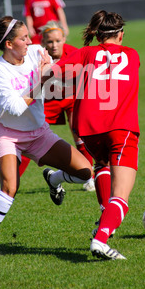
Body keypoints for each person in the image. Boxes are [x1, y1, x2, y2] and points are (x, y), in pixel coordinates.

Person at [0, 16, 92, 261]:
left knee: (85, 173)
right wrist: (42, 80)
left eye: (28, 37)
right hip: (8, 135)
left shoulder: (35, 52)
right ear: (9, 45)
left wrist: (50, 72)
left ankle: (54, 178)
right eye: (23, 38)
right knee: (9, 188)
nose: (29, 41)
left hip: (39, 133)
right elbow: (14, 107)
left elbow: (55, 76)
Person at [49, 10, 140, 261]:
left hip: (89, 131)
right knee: (121, 197)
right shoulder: (132, 55)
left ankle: (103, 217)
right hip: (121, 129)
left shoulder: (85, 53)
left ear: (98, 35)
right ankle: (100, 240)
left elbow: (52, 76)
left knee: (102, 165)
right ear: (121, 34)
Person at [18, 20, 95, 192]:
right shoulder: (36, 56)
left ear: (64, 38)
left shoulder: (75, 54)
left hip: (72, 99)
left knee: (81, 133)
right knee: (30, 136)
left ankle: (90, 177)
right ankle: (12, 182)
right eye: (50, 41)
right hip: (47, 101)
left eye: (58, 41)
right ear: (43, 41)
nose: (54, 45)